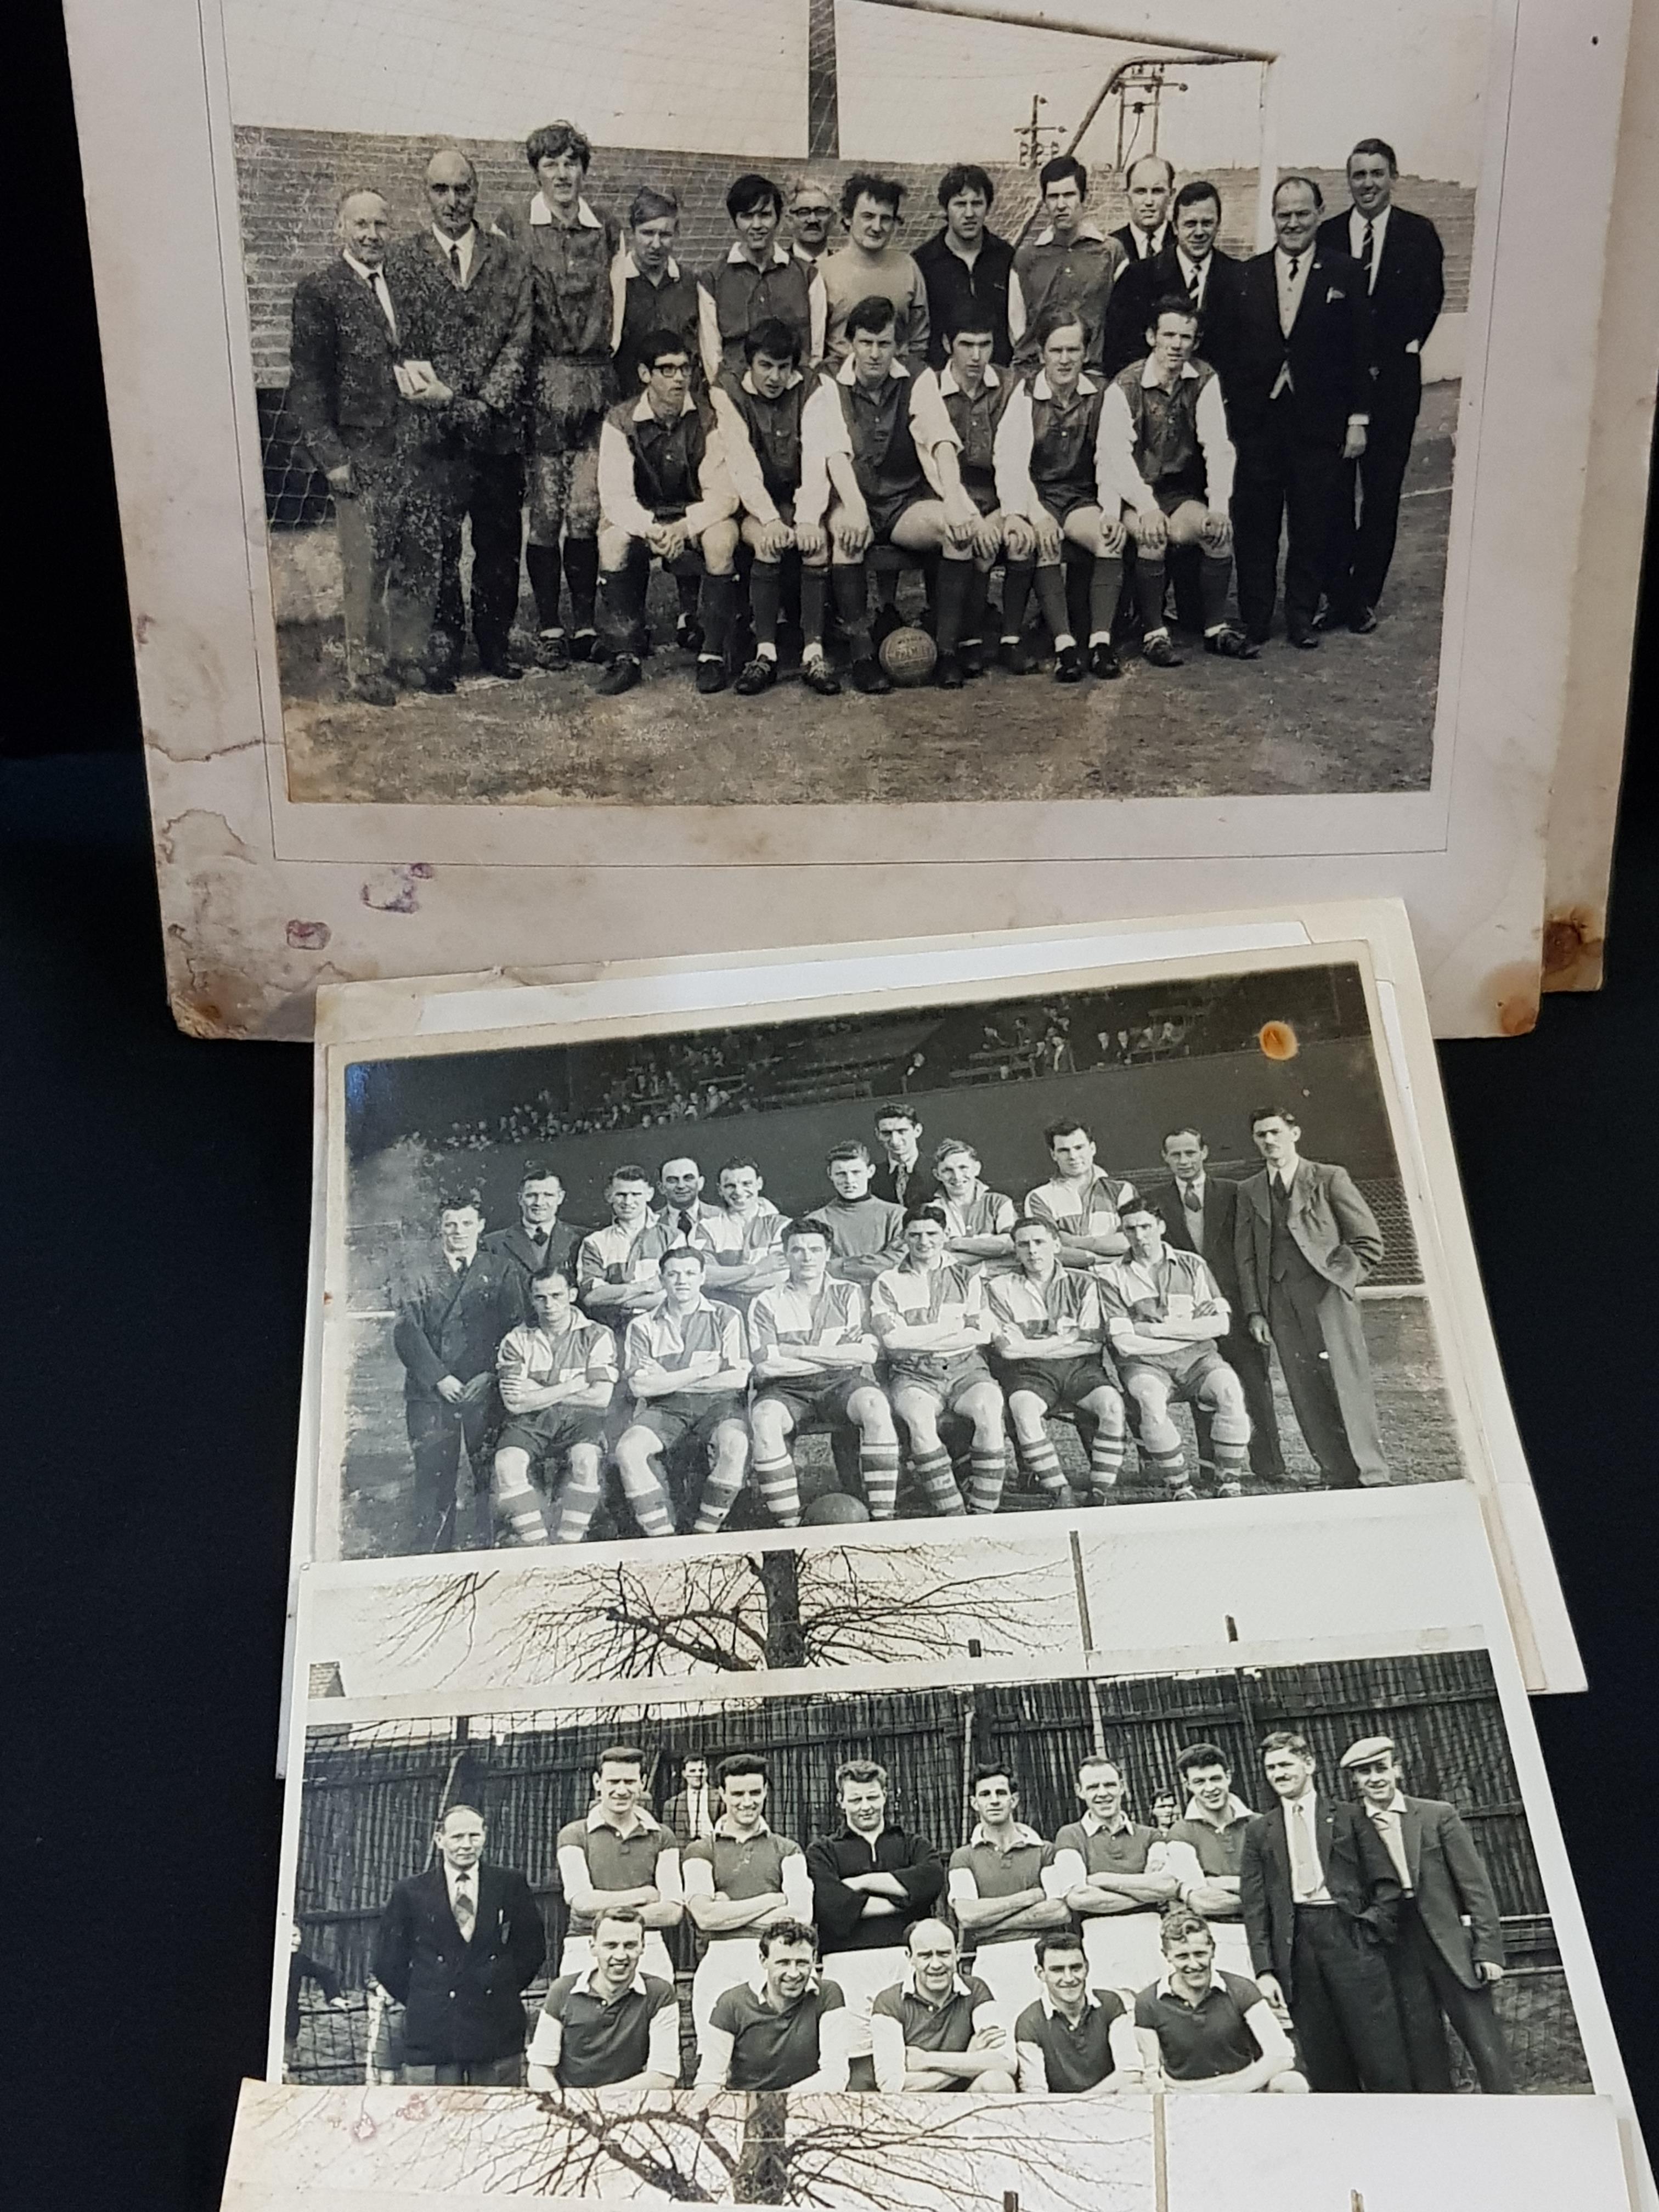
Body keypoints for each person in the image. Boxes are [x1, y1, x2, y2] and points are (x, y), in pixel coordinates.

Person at [289, 188, 451, 704]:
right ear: (341, 228)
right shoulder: (319, 291)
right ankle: (368, 668)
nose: (371, 235)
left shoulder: (404, 283)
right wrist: (331, 457)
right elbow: (308, 384)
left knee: (420, 557)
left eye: (380, 225)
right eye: (360, 225)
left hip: (416, 447)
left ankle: (410, 656)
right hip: (361, 452)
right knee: (367, 565)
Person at [390, 150, 533, 685]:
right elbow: (398, 340)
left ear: (478, 192)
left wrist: (482, 404)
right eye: (441, 190)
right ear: (425, 194)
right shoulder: (403, 263)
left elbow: (520, 340)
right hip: (433, 436)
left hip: (496, 434)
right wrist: (436, 397)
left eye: (463, 189)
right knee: (439, 546)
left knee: (498, 544)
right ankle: (444, 650)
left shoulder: (511, 260)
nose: (453, 201)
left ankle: (496, 646)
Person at [796, 294, 981, 693]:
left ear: (898, 345)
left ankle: (947, 652)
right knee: (848, 533)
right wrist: (856, 506)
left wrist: (953, 498)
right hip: (851, 496)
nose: (875, 354)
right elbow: (834, 451)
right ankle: (863, 656)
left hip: (902, 502)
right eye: (866, 343)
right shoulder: (828, 379)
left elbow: (940, 440)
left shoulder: (918, 376)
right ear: (849, 344)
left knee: (954, 529)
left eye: (884, 344)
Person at [1229, 176, 1375, 648]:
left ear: (1318, 214)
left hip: (1319, 423)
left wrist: (1358, 419)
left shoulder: (1345, 273)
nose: (1292, 223)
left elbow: (1360, 352)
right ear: (1274, 218)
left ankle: (1300, 616)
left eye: (1301, 213)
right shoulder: (1246, 276)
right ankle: (1255, 618)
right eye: (1283, 215)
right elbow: (1230, 354)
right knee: (1256, 525)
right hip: (1258, 425)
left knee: (1311, 523)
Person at [496, 121, 622, 670]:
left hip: (596, 381)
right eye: (551, 164)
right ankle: (550, 625)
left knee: (586, 510)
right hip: (542, 384)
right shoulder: (514, 226)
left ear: (583, 169)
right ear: (537, 171)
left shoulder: (608, 230)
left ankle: (586, 625)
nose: (562, 173)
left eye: (571, 162)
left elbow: (619, 301)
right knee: (546, 511)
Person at [1339, 1734, 1515, 2093]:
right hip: (1396, 1943)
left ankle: (1512, 2117)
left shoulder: (1437, 1815)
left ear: (1397, 1770)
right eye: (1364, 1773)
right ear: (1355, 1781)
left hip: (1448, 1940)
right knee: (1423, 2048)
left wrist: (1488, 1950)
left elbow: (1476, 1887)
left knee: (1485, 2044)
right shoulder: (1350, 1827)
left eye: (1381, 1769)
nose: (1375, 1778)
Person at [1317, 140, 1444, 631]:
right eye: (1359, 175)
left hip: (1393, 386)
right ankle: (1338, 592)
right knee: (1333, 494)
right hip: (1336, 388)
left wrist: (1404, 346)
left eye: (1376, 174)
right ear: (1347, 180)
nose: (1367, 184)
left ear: (1394, 176)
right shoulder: (1327, 235)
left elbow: (1431, 298)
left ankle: (1364, 595)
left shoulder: (1418, 233)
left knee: (1382, 493)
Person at [1239, 1729, 1411, 2092]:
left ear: (1309, 1764)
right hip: (1297, 1945)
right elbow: (1255, 1906)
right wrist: (1265, 1969)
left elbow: (1386, 1883)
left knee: (1381, 2054)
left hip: (1350, 1935)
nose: (1279, 1774)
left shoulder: (1349, 1816)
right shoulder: (1259, 1831)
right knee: (1323, 2057)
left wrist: (1369, 1931)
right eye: (1271, 1768)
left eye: (1286, 1764)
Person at [1233, 1108, 1389, 1489]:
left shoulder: (1329, 1177)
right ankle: (1335, 1472)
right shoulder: (1250, 1190)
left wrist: (1338, 1280)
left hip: (1327, 1299)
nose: (1268, 1141)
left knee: (1345, 1383)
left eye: (1275, 1132)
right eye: (1260, 1135)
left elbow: (1368, 1242)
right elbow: (1246, 1257)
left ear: (1295, 1133)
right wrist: (1256, 1311)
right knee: (1304, 1390)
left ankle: (1372, 1474)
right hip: (1279, 1305)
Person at [1099, 298, 1256, 665]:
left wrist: (1218, 507)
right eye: (1168, 334)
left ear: (1195, 342)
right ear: (1151, 336)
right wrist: (1146, 507)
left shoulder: (1204, 379)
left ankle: (1215, 629)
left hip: (1177, 492)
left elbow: (1217, 445)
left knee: (1215, 531)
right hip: (1131, 493)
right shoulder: (1125, 385)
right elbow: (1115, 459)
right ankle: (1154, 633)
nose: (1176, 344)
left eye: (1186, 337)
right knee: (1152, 536)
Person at [594, 330, 739, 697]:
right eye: (667, 369)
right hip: (647, 517)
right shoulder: (620, 420)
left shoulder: (708, 418)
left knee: (723, 538)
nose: (679, 378)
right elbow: (615, 497)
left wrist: (683, 528)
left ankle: (712, 653)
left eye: (685, 368)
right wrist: (653, 530)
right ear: (645, 374)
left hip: (693, 514)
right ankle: (626, 653)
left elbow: (723, 495)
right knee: (612, 539)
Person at [993, 311, 1127, 680]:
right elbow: (1011, 464)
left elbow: (1112, 458)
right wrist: (1035, 514)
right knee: (1045, 543)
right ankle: (1065, 645)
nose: (1065, 359)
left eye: (1073, 349)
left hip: (1082, 496)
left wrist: (1111, 512)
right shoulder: (1024, 395)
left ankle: (1101, 643)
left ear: (1086, 352)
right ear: (1041, 354)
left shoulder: (1103, 393)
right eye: (1056, 350)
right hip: (1039, 495)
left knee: (1109, 540)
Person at [372, 1803, 545, 2085]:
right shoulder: (410, 1892)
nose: (467, 1845)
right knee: (434, 2118)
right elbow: (388, 1962)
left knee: (496, 2118)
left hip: (495, 2027)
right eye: (457, 1837)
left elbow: (532, 1948)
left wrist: (499, 1984)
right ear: (439, 1840)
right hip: (434, 2031)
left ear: (485, 1836)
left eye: (474, 1836)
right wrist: (426, 1995)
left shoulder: (509, 1884)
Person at [1152, 1128, 1288, 1486]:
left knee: (1255, 1388)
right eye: (1176, 1155)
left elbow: (1252, 1250)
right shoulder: (1155, 1201)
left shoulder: (1233, 1193)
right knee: (1205, 1390)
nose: (1184, 1161)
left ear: (1205, 1152)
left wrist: (1255, 1309)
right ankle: (1213, 1470)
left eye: (1190, 1153)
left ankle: (1269, 1466)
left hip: (1239, 1310)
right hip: (1190, 1316)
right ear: (1165, 1158)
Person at [392, 1190, 524, 1551]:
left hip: (485, 1389)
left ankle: (494, 1549)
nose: (459, 1231)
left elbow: (515, 1329)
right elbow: (407, 1333)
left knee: (491, 1474)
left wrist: (490, 1375)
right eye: (450, 1225)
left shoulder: (501, 1269)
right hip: (431, 1394)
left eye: (467, 1223)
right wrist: (439, 1378)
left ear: (480, 1226)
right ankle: (433, 1556)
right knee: (434, 1480)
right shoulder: (417, 1273)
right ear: (440, 1229)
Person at [1097, 1193, 1252, 1500]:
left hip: (1198, 1360)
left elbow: (1221, 1326)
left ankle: (1228, 1480)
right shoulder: (1111, 1275)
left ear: (1162, 1226)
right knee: (1150, 1401)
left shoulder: (1193, 1265)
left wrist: (1153, 1329)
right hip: (1145, 1364)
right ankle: (1179, 1486)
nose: (1139, 1236)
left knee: (1230, 1391)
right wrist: (1192, 1330)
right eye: (1130, 1229)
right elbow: (1125, 1343)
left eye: (1145, 1226)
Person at [748, 1218, 901, 1524]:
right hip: (785, 1388)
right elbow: (766, 1364)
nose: (807, 1258)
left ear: (828, 1253)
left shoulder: (849, 1293)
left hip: (841, 1384)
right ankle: (788, 1524)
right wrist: (837, 1355)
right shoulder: (765, 1301)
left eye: (815, 1250)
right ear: (785, 1254)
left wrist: (797, 1351)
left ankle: (884, 1516)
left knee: (875, 1404)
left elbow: (865, 1353)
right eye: (798, 1250)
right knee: (764, 1418)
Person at [710, 318, 831, 697]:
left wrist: (809, 518)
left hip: (800, 495)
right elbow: (742, 464)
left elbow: (817, 457)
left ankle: (814, 652)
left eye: (783, 367)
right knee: (766, 541)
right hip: (753, 501)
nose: (776, 377)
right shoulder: (728, 390)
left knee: (818, 543)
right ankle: (765, 652)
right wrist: (769, 519)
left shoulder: (813, 386)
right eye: (766, 366)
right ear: (750, 363)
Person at [872, 1209, 1008, 1516]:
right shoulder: (887, 1280)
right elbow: (892, 1340)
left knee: (989, 1410)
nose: (924, 1241)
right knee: (920, 1421)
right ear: (903, 1238)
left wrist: (920, 1337)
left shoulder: (967, 1274)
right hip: (914, 1373)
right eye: (916, 1235)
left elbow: (982, 1333)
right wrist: (952, 1328)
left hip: (966, 1368)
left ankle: (984, 1512)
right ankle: (953, 1512)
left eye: (932, 1234)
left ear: (945, 1235)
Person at [986, 1214, 1127, 1503]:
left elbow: (1090, 1344)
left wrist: (1030, 1343)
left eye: (1039, 1242)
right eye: (1024, 1245)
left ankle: (1100, 1489)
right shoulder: (1000, 1287)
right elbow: (1008, 1351)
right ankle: (1060, 1490)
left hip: (1080, 1369)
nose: (1032, 1251)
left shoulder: (1085, 1283)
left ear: (1056, 1245)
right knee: (1023, 1411)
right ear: (1016, 1250)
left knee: (1112, 1407)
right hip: (1028, 1373)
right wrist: (1064, 1339)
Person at [807, 1759, 946, 2049]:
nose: (865, 1806)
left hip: (906, 1962)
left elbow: (931, 1880)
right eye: (855, 1799)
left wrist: (860, 1884)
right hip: (846, 1967)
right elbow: (830, 1905)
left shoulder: (913, 1844)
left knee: (915, 2052)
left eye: (872, 1797)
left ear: (885, 1795)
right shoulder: (823, 1851)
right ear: (841, 1802)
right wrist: (906, 1900)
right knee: (853, 2059)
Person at [616, 1245, 751, 1536]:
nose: (682, 1281)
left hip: (719, 1406)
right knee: (629, 1450)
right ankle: (662, 1535)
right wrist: (702, 1370)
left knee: (736, 1445)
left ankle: (705, 1531)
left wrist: (667, 1378)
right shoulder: (642, 1325)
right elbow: (640, 1386)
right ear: (662, 1279)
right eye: (673, 1274)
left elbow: (737, 1379)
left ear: (703, 1277)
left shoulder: (726, 1316)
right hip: (667, 1408)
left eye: (690, 1273)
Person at [683, 1753, 815, 2050]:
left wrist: (727, 1909)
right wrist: (773, 1899)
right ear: (722, 1794)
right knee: (718, 2059)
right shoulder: (700, 1850)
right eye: (738, 1794)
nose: (747, 1802)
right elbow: (704, 1916)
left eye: (755, 1793)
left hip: (775, 1960)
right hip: (719, 1962)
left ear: (766, 1791)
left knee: (776, 2054)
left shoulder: (788, 1849)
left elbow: (801, 1914)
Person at [913, 311, 1017, 676]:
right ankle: (957, 642)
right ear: (946, 345)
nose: (976, 356)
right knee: (961, 534)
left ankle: (999, 638)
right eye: (966, 345)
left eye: (985, 344)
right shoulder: (930, 389)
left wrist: (1001, 515)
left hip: (1000, 495)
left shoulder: (1010, 386)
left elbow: (1015, 459)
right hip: (947, 494)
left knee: (1013, 536)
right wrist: (973, 517)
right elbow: (934, 465)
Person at [489, 1266, 616, 1545]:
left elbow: (601, 1397)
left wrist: (538, 1391)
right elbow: (515, 1403)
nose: (549, 1305)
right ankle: (538, 1547)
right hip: (531, 1421)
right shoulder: (516, 1340)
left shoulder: (597, 1335)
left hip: (580, 1419)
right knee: (507, 1463)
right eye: (540, 1298)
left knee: (586, 1460)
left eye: (557, 1296)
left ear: (572, 1294)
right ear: (532, 1299)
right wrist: (572, 1386)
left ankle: (568, 1544)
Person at [946, 1765, 1069, 2029]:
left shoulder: (1045, 1850)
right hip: (991, 1962)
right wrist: (1029, 1897)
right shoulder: (963, 1857)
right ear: (974, 1803)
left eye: (1001, 1793)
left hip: (1041, 1957)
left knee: (1049, 2036)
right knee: (1001, 2040)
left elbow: (1059, 1911)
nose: (994, 1800)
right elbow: (968, 1916)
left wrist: (994, 1923)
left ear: (1014, 1800)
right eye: (985, 1794)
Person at [1135, 1910, 1307, 2093]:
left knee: (1292, 2082)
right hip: (1183, 2093)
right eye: (1182, 1957)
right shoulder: (1149, 2001)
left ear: (1213, 1950)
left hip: (1243, 2085)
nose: (1194, 1965)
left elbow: (1282, 2054)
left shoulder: (1241, 1989)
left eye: (1200, 1954)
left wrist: (1233, 2090)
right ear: (1167, 1956)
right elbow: (1151, 2071)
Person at [1049, 1753, 1178, 1992]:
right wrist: (1143, 1888)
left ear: (1122, 1787)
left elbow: (1168, 1887)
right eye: (1093, 1787)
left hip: (1152, 1940)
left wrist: (1102, 1880)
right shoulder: (1070, 1836)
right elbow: (1079, 1898)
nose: (1103, 1793)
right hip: (1101, 1942)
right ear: (1080, 1791)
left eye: (1109, 1785)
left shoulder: (1151, 1836)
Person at [555, 1743, 684, 1981]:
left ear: (642, 1783)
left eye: (629, 1781)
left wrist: (604, 1908)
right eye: (613, 1782)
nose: (621, 1790)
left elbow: (672, 1912)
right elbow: (581, 1902)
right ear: (597, 1782)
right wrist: (644, 1893)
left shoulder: (663, 1836)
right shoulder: (573, 1834)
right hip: (585, 1944)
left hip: (647, 1944)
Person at [526, 1905, 680, 2090]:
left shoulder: (659, 1994)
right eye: (611, 1945)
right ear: (593, 1947)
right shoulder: (563, 1990)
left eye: (630, 1945)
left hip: (630, 2103)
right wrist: (563, 2105)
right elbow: (540, 2067)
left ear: (643, 1947)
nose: (621, 1955)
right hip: (569, 2106)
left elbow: (663, 2076)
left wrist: (598, 2101)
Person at [698, 172, 826, 387]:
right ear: (735, 221)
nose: (757, 225)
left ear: (778, 218)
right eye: (747, 216)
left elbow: (815, 354)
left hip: (793, 395)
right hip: (735, 396)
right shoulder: (713, 279)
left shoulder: (807, 277)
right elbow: (713, 358)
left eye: (765, 215)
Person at [694, 1920, 851, 2091]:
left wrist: (777, 2104)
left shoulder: (828, 1994)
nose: (793, 1973)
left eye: (802, 1963)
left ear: (814, 1959)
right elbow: (709, 2080)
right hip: (748, 2110)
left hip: (809, 2106)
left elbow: (835, 2075)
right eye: (783, 1963)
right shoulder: (732, 2003)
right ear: (763, 1960)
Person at [870, 1920, 1017, 2093]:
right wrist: (970, 2060)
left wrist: (927, 2060)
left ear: (958, 1953)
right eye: (926, 1955)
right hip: (913, 2107)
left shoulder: (975, 1990)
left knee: (998, 2081)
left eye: (944, 1954)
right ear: (910, 1957)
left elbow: (1006, 2062)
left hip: (968, 2100)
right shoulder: (889, 2001)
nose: (936, 1965)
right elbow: (892, 2085)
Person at [1012, 155, 1127, 375]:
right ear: (1044, 201)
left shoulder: (1111, 252)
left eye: (1069, 195)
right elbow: (1017, 327)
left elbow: (1122, 323)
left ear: (1085, 197)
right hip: (1037, 375)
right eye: (1053, 197)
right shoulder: (1027, 258)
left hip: (1093, 375)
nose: (1061, 205)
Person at [1154, 1742, 1260, 1974]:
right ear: (1187, 1784)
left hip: (1268, 1933)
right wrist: (1261, 1896)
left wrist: (1215, 1882)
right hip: (1219, 1938)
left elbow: (1283, 1887)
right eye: (1200, 1782)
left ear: (1228, 1776)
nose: (1210, 1789)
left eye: (1215, 1779)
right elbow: (1202, 1901)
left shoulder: (1259, 1825)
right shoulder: (1180, 1833)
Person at [913, 163, 1025, 370]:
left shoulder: (1007, 257)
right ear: (946, 208)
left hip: (998, 379)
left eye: (977, 203)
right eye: (960, 204)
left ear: (988, 207)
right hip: (942, 378)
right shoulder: (923, 262)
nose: (969, 213)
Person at [819, 172, 930, 370]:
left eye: (886, 219)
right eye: (868, 217)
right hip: (840, 382)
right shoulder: (824, 272)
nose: (877, 227)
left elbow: (919, 338)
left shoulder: (908, 267)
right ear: (847, 218)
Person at [1014, 1928, 1139, 2094]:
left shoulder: (1110, 2003)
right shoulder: (1029, 2021)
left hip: (1109, 2101)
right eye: (1057, 1970)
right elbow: (1035, 2091)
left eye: (1076, 1968)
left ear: (1087, 1968)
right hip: (1059, 2112)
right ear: (1041, 1973)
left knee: (1137, 2091)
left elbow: (1131, 2072)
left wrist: (1084, 2101)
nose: (1069, 1978)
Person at [611, 187, 703, 400]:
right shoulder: (615, 282)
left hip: (680, 403)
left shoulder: (690, 283)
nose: (656, 244)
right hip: (627, 402)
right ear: (633, 231)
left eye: (665, 235)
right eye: (648, 233)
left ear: (676, 234)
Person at [1023, 1119, 1136, 1268]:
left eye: (1079, 1148)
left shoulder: (1122, 1190)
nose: (1073, 1156)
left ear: (1093, 1149)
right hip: (1070, 1279)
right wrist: (1100, 1259)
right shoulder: (1039, 1198)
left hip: (1122, 1275)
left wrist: (1072, 1241)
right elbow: (1047, 1250)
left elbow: (1130, 1241)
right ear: (1053, 1155)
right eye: (1064, 1150)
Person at [575, 1162, 670, 1327]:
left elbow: (676, 1293)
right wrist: (647, 1286)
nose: (628, 1201)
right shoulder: (595, 1242)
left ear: (650, 1194)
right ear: (609, 1196)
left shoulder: (672, 1237)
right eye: (621, 1194)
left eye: (636, 1194)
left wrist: (619, 1300)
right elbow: (591, 1297)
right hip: (614, 1329)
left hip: (663, 1326)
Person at [479, 1163, 580, 1311]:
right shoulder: (493, 1244)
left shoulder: (582, 1239)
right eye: (532, 1196)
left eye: (548, 1195)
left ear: (560, 1197)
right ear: (520, 1199)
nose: (539, 1203)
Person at [805, 1141, 907, 1285]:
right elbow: (814, 1268)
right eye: (841, 1174)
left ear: (870, 1171)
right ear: (830, 1174)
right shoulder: (815, 1221)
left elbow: (902, 1260)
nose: (849, 1180)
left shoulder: (897, 1215)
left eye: (856, 1172)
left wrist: (843, 1266)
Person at [697, 1157, 788, 1313]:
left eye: (746, 1184)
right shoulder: (706, 1227)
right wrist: (757, 1269)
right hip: (724, 1313)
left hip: (773, 1311)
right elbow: (704, 1277)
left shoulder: (782, 1225)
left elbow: (782, 1277)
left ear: (759, 1184)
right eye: (730, 1186)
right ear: (720, 1190)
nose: (739, 1192)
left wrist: (724, 1283)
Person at [929, 1140, 1017, 1273]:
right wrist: (989, 1249)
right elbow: (934, 1256)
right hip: (952, 1282)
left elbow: (1011, 1244)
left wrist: (955, 1243)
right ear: (937, 1175)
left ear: (977, 1168)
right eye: (948, 1170)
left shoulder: (999, 1202)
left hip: (999, 1280)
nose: (957, 1176)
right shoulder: (931, 1210)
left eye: (963, 1167)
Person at [285, 1926, 347, 2070]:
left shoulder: (299, 1961)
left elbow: (326, 1974)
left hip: (288, 2022)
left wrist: (334, 1997)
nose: (298, 1941)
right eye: (293, 1935)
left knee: (282, 2068)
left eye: (299, 1936)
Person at [1112, 154, 1175, 266]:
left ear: (1171, 196)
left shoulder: (1184, 244)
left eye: (1157, 191)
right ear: (1127, 196)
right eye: (1140, 192)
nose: (1149, 202)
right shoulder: (1112, 247)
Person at [871, 1104, 927, 1208]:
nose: (894, 1141)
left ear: (917, 1131)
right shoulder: (872, 1176)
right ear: (878, 1134)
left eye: (902, 1132)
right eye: (886, 1133)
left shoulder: (936, 1170)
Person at [787, 177, 836, 270]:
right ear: (790, 220)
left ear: (833, 219)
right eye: (804, 212)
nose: (813, 220)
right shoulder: (776, 271)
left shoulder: (844, 270)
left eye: (821, 212)